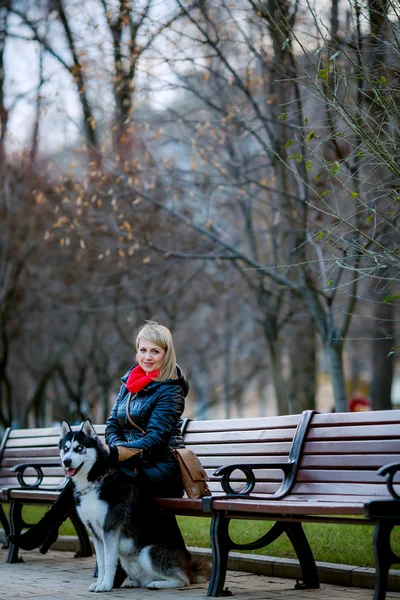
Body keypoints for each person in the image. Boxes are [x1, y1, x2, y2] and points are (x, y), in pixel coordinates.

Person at [8, 321, 189, 570]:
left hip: (159, 467)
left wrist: (114, 453)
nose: (148, 357)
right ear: (136, 351)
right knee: (86, 475)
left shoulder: (171, 389)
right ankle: (47, 530)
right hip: (131, 461)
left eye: (155, 351)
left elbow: (155, 438)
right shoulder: (131, 381)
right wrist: (115, 447)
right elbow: (112, 423)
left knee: (102, 479)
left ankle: (50, 533)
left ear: (166, 354)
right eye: (143, 350)